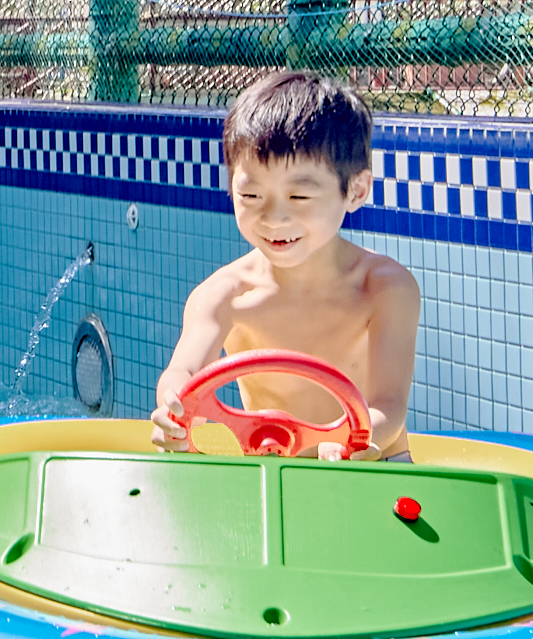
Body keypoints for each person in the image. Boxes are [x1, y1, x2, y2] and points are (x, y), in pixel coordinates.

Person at [158, 68, 423, 445]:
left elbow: (388, 407)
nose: (274, 218)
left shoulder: (383, 288)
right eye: (251, 196)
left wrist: (338, 447)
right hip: (273, 471)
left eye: (299, 197)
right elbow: (182, 372)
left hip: (373, 465)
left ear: (356, 191)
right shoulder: (225, 295)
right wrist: (174, 408)